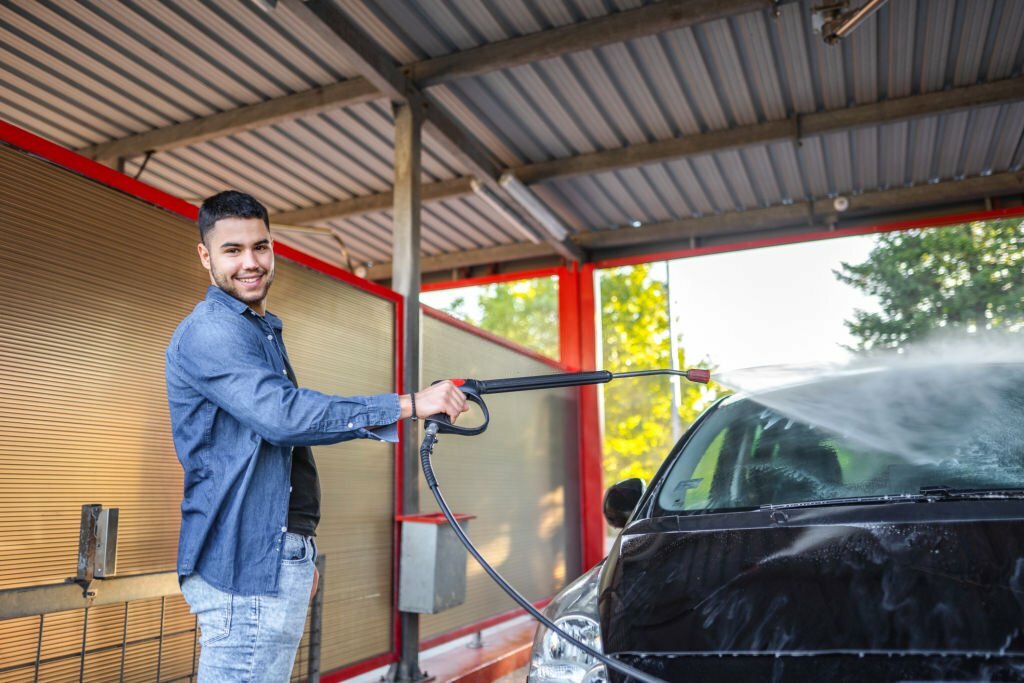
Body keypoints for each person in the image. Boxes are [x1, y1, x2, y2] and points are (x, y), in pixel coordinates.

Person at [165, 190, 466, 682]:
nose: (251, 262)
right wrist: (410, 403)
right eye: (232, 250)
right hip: (246, 568)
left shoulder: (257, 330)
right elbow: (283, 417)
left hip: (267, 559)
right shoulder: (213, 333)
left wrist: (296, 553)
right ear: (205, 256)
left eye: (260, 247)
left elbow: (275, 453)